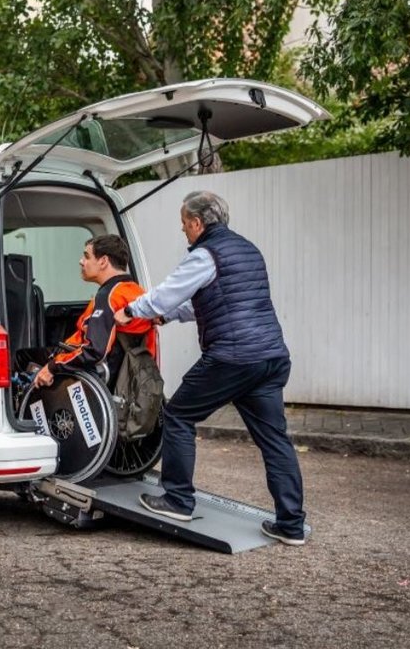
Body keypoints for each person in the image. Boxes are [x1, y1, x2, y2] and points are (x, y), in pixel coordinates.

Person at [113, 190, 306, 546]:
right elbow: (210, 299)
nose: (184, 232)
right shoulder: (248, 250)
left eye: (184, 224)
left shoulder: (205, 254)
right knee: (275, 440)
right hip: (270, 358)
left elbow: (169, 291)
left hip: (233, 357)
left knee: (179, 416)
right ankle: (291, 525)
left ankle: (177, 500)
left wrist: (133, 310)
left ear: (198, 223)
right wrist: (166, 316)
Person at [33, 235, 156, 389]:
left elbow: (95, 351)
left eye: (86, 256)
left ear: (103, 261)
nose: (81, 261)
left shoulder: (109, 297)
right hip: (131, 378)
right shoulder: (137, 293)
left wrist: (52, 367)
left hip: (98, 375)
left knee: (22, 357)